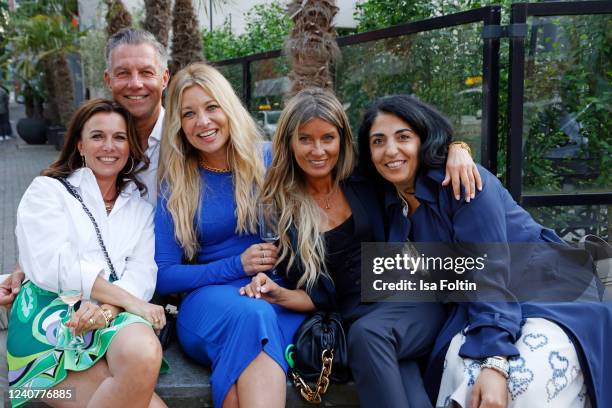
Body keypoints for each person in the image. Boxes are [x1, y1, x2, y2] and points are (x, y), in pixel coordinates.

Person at [357, 94, 612, 408]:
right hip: (475, 301)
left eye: (404, 137)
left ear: (424, 139)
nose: (391, 150)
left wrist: (496, 361)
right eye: (378, 141)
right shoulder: (387, 199)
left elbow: (487, 274)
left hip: (545, 290)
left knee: (515, 382)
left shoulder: (464, 182)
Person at [239, 88, 480, 408]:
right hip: (357, 321)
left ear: (341, 138)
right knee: (406, 389)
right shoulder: (282, 209)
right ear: (289, 143)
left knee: (372, 338)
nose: (318, 150)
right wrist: (276, 292)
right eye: (306, 139)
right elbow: (318, 296)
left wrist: (457, 148)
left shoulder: (365, 178)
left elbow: (414, 152)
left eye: (327, 138)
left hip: (411, 302)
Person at [154, 62, 306, 408]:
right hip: (209, 303)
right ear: (179, 125)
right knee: (253, 316)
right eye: (189, 114)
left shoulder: (271, 159)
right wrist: (237, 264)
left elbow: (340, 167)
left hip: (276, 295)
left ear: (228, 108)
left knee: (240, 388)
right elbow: (164, 276)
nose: (203, 122)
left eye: (211, 107)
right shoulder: (176, 184)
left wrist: (456, 148)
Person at [8, 99, 167, 408]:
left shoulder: (140, 208)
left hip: (113, 312)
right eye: (97, 136)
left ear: (130, 146)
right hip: (49, 316)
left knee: (145, 352)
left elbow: (142, 272)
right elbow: (53, 265)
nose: (109, 146)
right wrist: (132, 302)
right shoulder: (47, 190)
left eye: (119, 137)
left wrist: (108, 309)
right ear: (79, 145)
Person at [0, 27, 169, 307]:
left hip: (162, 284)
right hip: (101, 289)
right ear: (108, 79)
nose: (135, 83)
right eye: (123, 73)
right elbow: (61, 221)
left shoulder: (186, 138)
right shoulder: (86, 156)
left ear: (164, 78)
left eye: (146, 72)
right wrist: (28, 261)